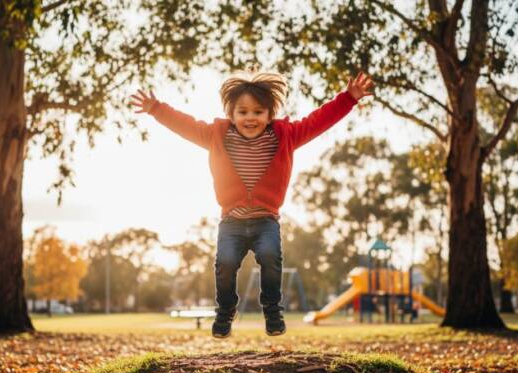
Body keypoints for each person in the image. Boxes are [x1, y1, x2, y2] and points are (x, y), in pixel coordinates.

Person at [130, 71, 374, 338]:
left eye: (258, 112)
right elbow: (185, 124)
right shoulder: (216, 135)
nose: (250, 118)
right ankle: (225, 312)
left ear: (270, 115)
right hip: (231, 222)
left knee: (270, 256)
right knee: (224, 262)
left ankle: (272, 310)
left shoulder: (286, 136)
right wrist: (156, 109)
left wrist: (348, 99)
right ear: (231, 114)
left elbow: (319, 120)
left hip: (265, 221)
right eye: (243, 112)